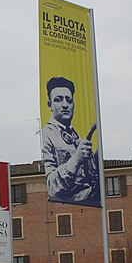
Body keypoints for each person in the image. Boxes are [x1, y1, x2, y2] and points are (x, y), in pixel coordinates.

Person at [42, 76, 99, 206]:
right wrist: (77, 158)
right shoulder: (47, 134)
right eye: (58, 100)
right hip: (69, 206)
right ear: (49, 105)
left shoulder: (76, 136)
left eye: (69, 100)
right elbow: (51, 188)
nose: (65, 105)